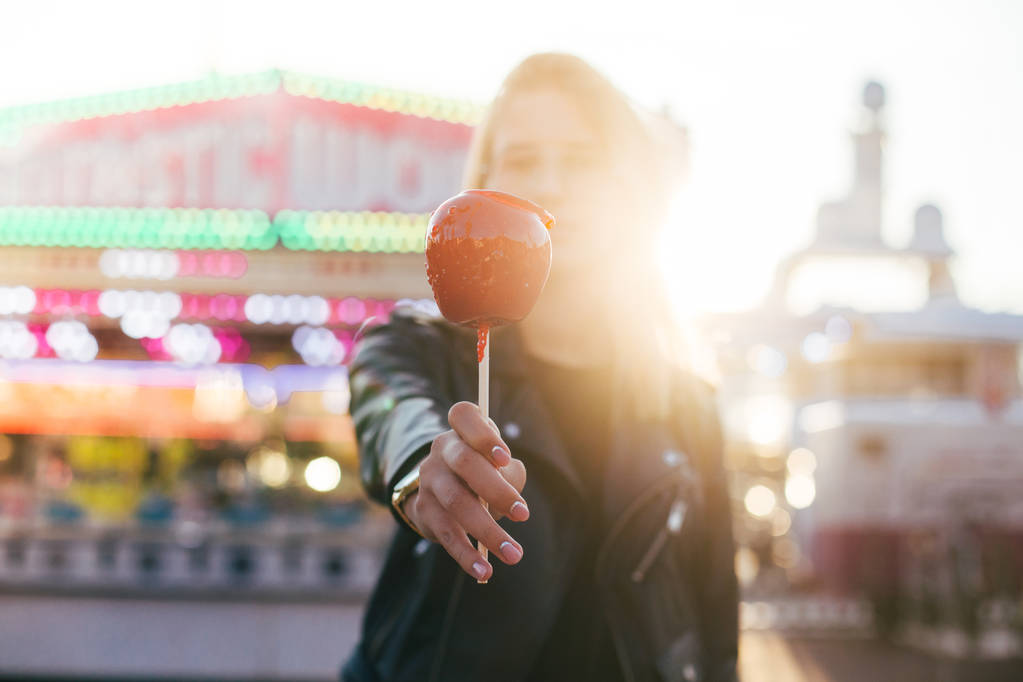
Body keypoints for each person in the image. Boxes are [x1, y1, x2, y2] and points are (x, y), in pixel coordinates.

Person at [340, 52, 739, 682]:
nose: (550, 183)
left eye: (581, 161)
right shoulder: (421, 346)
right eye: (524, 160)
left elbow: (714, 623)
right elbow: (388, 405)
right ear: (487, 177)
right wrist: (424, 467)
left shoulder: (687, 409)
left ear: (626, 189)